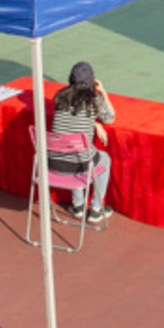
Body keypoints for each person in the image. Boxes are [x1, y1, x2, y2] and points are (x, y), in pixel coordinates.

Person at [48, 61, 115, 225]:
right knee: (103, 158)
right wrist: (103, 91)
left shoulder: (60, 98)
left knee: (72, 150)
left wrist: (93, 123)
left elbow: (72, 118)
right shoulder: (94, 99)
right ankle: (97, 209)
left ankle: (78, 205)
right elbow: (111, 117)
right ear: (92, 81)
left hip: (53, 163)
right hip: (78, 165)